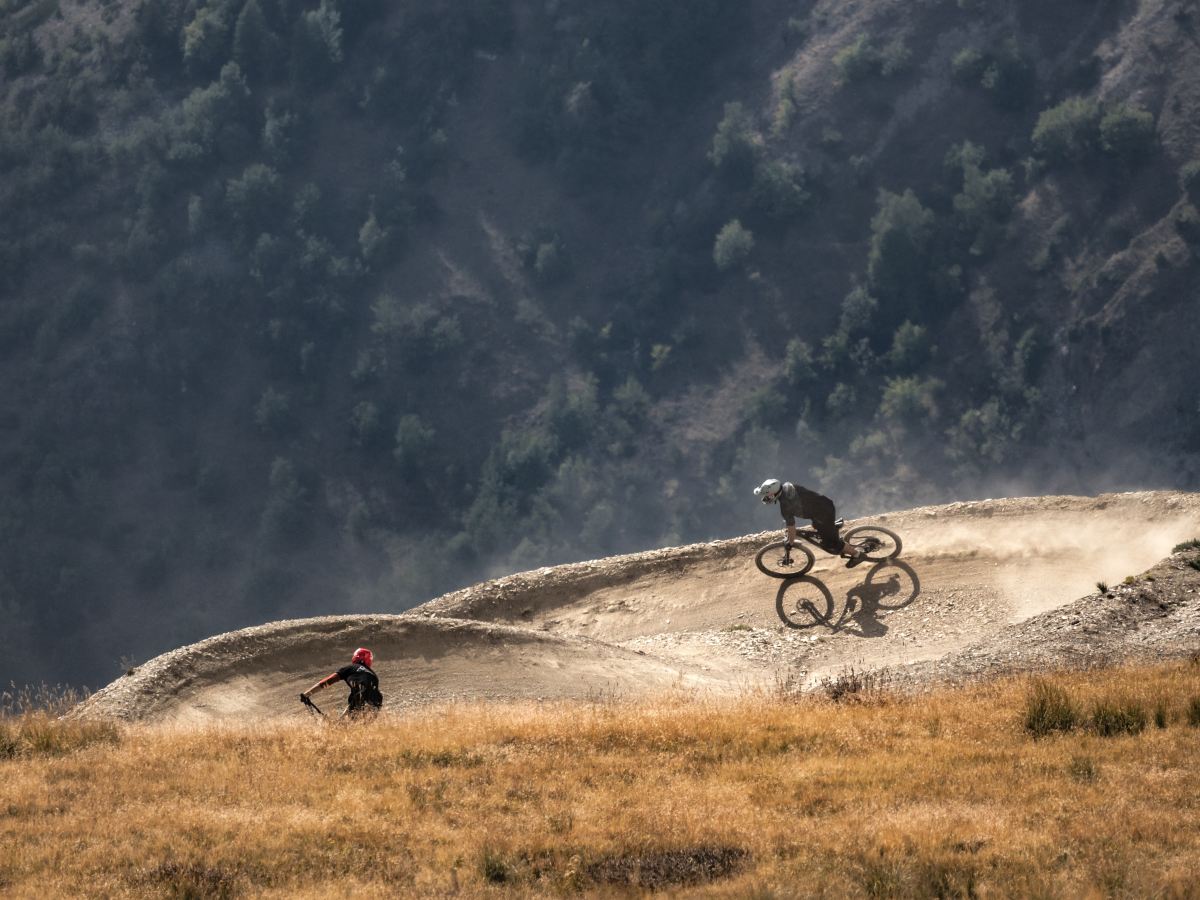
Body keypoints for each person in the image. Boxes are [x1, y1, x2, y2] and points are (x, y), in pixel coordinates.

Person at [753, 478, 866, 567]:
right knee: (817, 526)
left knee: (831, 544)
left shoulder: (785, 506)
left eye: (766, 495)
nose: (765, 498)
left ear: (773, 494)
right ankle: (831, 528)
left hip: (823, 514)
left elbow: (792, 528)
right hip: (824, 505)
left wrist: (790, 543)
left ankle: (858, 555)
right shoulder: (789, 487)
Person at [301, 647, 383, 717]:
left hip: (359, 696)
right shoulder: (373, 675)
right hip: (377, 701)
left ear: (356, 657)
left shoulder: (351, 668)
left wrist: (307, 694)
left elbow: (328, 681)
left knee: (349, 721)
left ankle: (341, 725)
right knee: (360, 724)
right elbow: (363, 695)